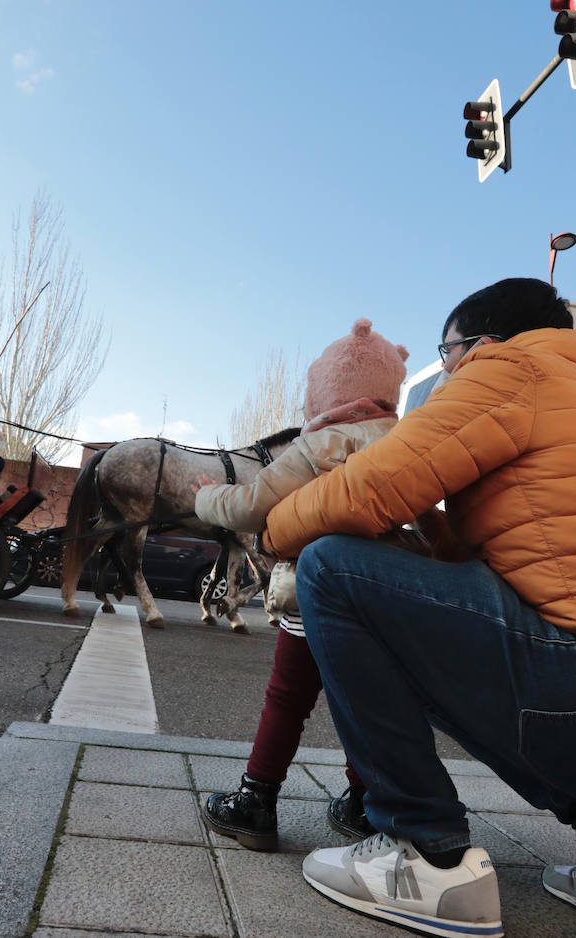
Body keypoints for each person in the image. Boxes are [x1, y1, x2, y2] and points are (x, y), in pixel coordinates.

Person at [260, 278, 576, 937]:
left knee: (329, 566)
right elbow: (487, 582)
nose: (445, 372)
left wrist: (270, 529)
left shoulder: (510, 370)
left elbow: (367, 489)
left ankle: (423, 852)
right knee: (411, 632)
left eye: (447, 353)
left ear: (481, 342)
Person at [194, 318, 409, 852]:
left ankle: (257, 800)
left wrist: (204, 496)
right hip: (383, 600)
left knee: (287, 698)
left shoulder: (318, 445)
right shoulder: (407, 442)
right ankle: (362, 803)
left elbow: (249, 505)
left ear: (325, 390)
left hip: (312, 596)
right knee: (368, 701)